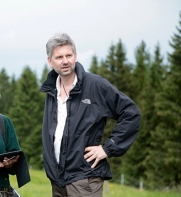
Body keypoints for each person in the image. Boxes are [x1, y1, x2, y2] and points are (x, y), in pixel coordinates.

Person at [40, 33, 141, 197]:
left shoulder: (95, 85)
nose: (65, 61)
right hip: (57, 180)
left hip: (84, 179)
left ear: (75, 56)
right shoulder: (51, 91)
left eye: (69, 55)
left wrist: (107, 148)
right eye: (59, 57)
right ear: (50, 62)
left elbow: (131, 113)